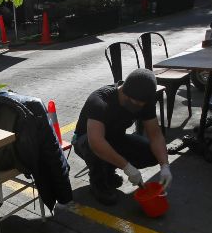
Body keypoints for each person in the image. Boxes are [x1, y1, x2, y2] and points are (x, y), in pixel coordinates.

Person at [72, 69, 172, 205]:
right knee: (94, 147)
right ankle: (98, 182)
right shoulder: (100, 100)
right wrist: (127, 167)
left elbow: (155, 135)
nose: (137, 107)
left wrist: (164, 165)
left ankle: (108, 169)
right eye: (134, 103)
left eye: (140, 104)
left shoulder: (144, 102)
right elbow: (96, 142)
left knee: (152, 154)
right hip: (86, 140)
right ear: (124, 91)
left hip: (115, 138)